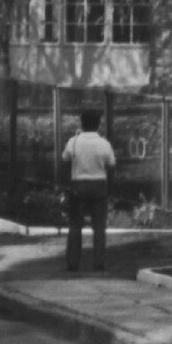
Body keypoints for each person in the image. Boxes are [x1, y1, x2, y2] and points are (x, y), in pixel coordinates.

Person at [62, 108, 115, 272]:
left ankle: (73, 262)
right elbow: (111, 163)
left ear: (82, 123)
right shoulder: (104, 143)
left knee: (75, 225)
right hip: (99, 185)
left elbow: (65, 158)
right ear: (98, 124)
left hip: (78, 184)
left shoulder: (74, 141)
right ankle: (98, 263)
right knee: (99, 226)